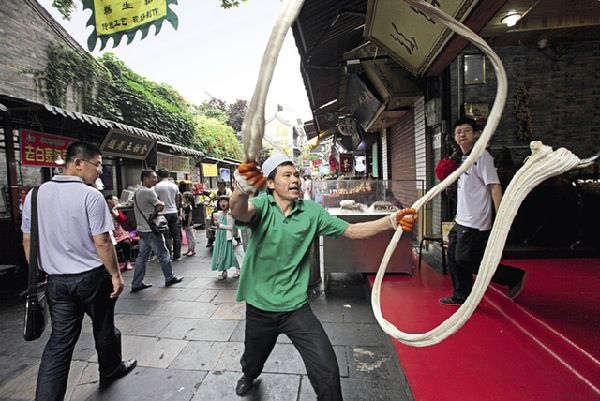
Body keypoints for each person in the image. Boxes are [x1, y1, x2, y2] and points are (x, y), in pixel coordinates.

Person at [231, 154, 418, 399]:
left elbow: (352, 231)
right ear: (271, 183)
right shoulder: (263, 205)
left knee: (327, 368)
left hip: (295, 308)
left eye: (296, 174)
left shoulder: (312, 211)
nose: (295, 179)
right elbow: (240, 211)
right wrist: (241, 189)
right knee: (253, 360)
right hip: (260, 306)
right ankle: (248, 374)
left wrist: (390, 221)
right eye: (286, 175)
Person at [21, 141, 136, 400]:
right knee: (104, 328)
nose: (99, 171)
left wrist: (43, 270)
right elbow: (103, 241)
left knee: (59, 344)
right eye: (97, 165)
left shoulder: (35, 194)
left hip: (57, 282)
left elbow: (27, 240)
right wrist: (116, 275)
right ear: (77, 163)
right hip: (92, 278)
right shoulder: (90, 195)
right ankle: (110, 370)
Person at [439, 118, 527, 306]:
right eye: (459, 132)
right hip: (461, 219)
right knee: (453, 256)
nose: (462, 134)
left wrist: (501, 216)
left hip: (476, 221)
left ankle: (512, 276)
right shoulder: (462, 159)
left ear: (476, 134)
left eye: (467, 131)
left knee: (466, 259)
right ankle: (461, 295)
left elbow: (495, 186)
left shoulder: (482, 158)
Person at [131, 169, 183, 292]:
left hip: (142, 228)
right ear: (145, 179)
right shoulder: (149, 192)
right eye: (153, 177)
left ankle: (136, 283)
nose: (155, 180)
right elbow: (159, 206)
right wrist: (161, 204)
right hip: (151, 229)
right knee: (163, 253)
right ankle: (169, 277)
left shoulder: (137, 191)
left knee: (142, 256)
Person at [154, 167, 182, 261]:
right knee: (176, 234)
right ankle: (177, 255)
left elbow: (155, 200)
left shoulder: (157, 187)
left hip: (163, 213)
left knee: (165, 235)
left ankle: (168, 255)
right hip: (173, 212)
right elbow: (177, 199)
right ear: (168, 175)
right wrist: (176, 208)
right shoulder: (174, 186)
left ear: (158, 176)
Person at [210, 196, 240, 279]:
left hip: (226, 237)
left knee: (229, 253)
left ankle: (237, 268)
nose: (223, 203)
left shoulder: (230, 214)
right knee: (221, 253)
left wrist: (219, 225)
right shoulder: (219, 213)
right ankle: (224, 271)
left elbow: (230, 227)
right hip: (219, 236)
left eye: (225, 201)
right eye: (221, 201)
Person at [204, 178, 241, 246]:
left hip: (228, 210)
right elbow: (209, 197)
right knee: (209, 220)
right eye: (219, 186)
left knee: (233, 221)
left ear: (224, 186)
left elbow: (232, 199)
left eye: (222, 186)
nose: (220, 188)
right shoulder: (215, 192)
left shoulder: (229, 192)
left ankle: (237, 238)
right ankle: (210, 239)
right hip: (218, 210)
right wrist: (206, 201)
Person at [105, 194, 134, 270]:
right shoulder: (104, 211)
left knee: (126, 243)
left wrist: (113, 210)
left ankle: (127, 262)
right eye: (115, 200)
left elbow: (122, 220)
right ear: (109, 200)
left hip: (119, 233)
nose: (116, 202)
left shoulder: (117, 211)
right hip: (109, 233)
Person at [182, 192, 197, 256]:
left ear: (187, 199)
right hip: (185, 223)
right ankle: (189, 249)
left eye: (183, 198)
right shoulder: (185, 206)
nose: (182, 199)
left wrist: (188, 225)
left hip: (189, 224)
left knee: (191, 236)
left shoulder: (189, 207)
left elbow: (190, 217)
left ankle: (192, 249)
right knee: (188, 237)